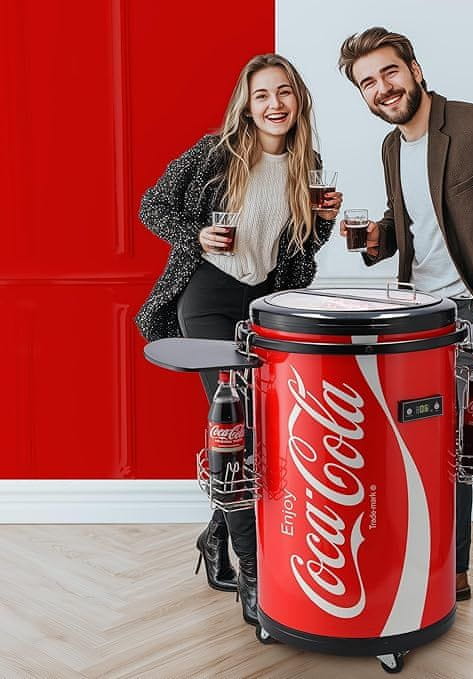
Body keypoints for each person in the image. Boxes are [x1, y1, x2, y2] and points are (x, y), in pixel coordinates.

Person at [338, 27, 473, 640]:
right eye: (367, 83)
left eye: (389, 72)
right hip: (423, 314)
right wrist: (378, 238)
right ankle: (450, 572)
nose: (382, 88)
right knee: (439, 444)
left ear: (414, 68)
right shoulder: (392, 146)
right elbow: (413, 220)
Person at [135, 53, 342, 626]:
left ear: (299, 100)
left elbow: (300, 254)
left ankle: (214, 538)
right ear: (246, 106)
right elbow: (152, 206)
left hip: (262, 306)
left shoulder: (308, 165)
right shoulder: (214, 152)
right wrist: (197, 234)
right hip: (206, 299)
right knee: (237, 433)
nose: (275, 104)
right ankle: (254, 577)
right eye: (262, 95)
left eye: (284, 92)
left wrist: (324, 222)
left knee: (264, 434)